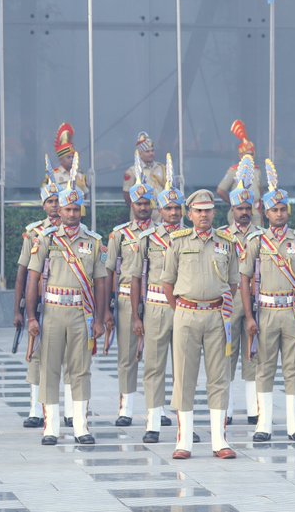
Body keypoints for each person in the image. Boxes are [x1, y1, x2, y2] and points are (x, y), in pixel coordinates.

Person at [24, 156, 107, 446]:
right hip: (53, 311)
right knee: (49, 368)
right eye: (67, 209)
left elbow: (101, 282)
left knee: (80, 369)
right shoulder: (46, 239)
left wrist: (99, 319)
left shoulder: (94, 242)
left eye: (76, 208)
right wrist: (32, 317)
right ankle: (51, 427)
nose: (72, 214)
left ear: (81, 209)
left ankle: (81, 427)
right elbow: (32, 278)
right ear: (58, 209)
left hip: (80, 314)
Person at [158, 188, 239, 459]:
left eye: (208, 210)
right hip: (186, 314)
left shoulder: (226, 242)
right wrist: (183, 307)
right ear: (189, 214)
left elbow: (234, 282)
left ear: (214, 213)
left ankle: (219, 441)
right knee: (184, 377)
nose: (204, 215)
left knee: (219, 378)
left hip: (217, 314)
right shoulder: (178, 241)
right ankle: (184, 442)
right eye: (199, 211)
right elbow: (167, 282)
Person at [242, 160, 295, 443]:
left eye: (284, 209)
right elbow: (244, 282)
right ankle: (264, 423)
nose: (280, 214)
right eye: (275, 209)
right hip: (267, 311)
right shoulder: (256, 242)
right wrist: (249, 317)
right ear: (265, 212)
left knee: (293, 368)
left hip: (293, 311)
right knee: (264, 367)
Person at [133, 154, 186, 445]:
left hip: (184, 307)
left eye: (178, 208)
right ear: (160, 210)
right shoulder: (149, 239)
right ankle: (153, 422)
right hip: (154, 307)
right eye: (169, 208)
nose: (174, 213)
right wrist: (136, 315)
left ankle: (183, 422)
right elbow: (137, 277)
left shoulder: (191, 237)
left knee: (183, 367)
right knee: (154, 365)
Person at [105, 160, 156, 428]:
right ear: (132, 205)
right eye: (139, 203)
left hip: (156, 300)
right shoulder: (120, 236)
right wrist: (110, 307)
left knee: (156, 357)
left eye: (147, 203)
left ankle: (156, 410)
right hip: (126, 300)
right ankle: (126, 409)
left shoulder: (162, 235)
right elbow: (110, 271)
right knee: (127, 357)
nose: (144, 207)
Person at [15, 159, 61, 428]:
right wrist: (18, 310)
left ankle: (66, 412)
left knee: (65, 356)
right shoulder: (34, 233)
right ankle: (35, 409)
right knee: (35, 355)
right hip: (39, 302)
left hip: (64, 302)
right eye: (51, 202)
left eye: (58, 201)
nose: (55, 206)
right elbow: (23, 272)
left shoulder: (71, 232)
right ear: (43, 205)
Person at [216, 157, 261, 425]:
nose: (244, 212)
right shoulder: (222, 236)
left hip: (255, 302)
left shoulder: (262, 235)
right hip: (230, 302)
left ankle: (254, 410)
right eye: (239, 208)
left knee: (254, 353)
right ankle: (227, 409)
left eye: (247, 207)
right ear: (231, 209)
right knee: (226, 355)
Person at [216, 120, 263, 227]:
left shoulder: (257, 170)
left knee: (257, 237)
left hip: (254, 210)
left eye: (251, 154)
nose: (249, 157)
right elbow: (221, 190)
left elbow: (260, 189)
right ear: (240, 155)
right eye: (246, 154)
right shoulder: (234, 170)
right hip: (239, 211)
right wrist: (234, 203)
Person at [121, 132, 166, 222]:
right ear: (140, 153)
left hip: (160, 213)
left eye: (152, 150)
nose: (151, 153)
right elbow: (127, 196)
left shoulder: (161, 168)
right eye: (147, 151)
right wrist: (140, 206)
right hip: (141, 213)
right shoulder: (132, 171)